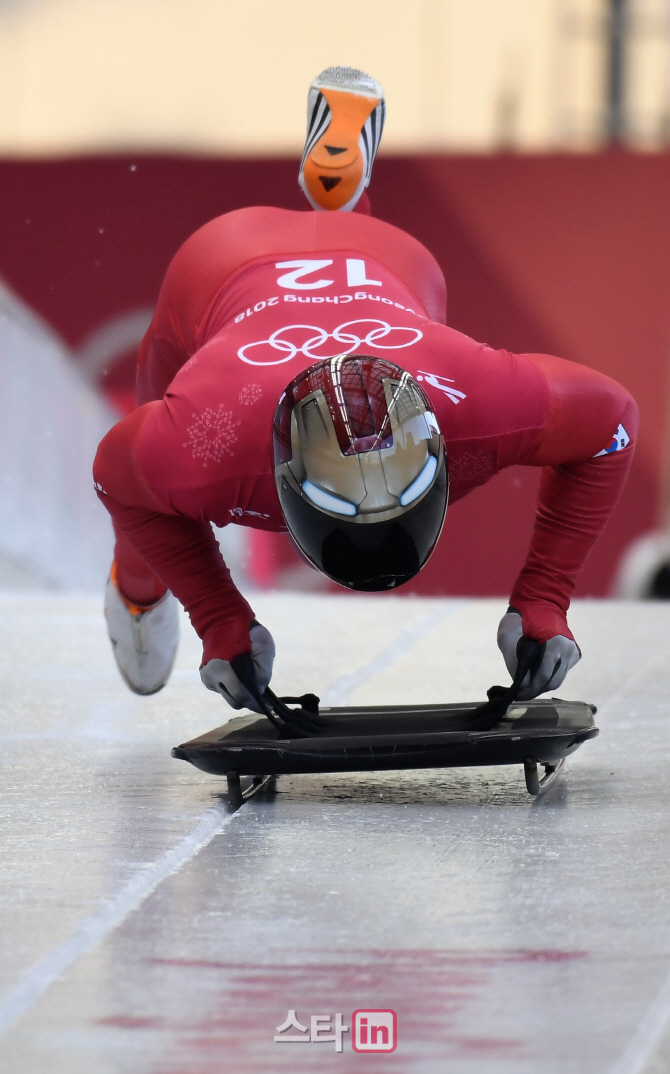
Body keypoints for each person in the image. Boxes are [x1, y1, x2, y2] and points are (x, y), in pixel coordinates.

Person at [94, 67, 638, 712]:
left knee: (157, 487)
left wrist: (546, 599)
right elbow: (120, 482)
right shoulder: (211, 439)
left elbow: (613, 424)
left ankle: (338, 191)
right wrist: (217, 618)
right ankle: (140, 588)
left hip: (349, 256)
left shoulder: (478, 402)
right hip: (262, 265)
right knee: (148, 526)